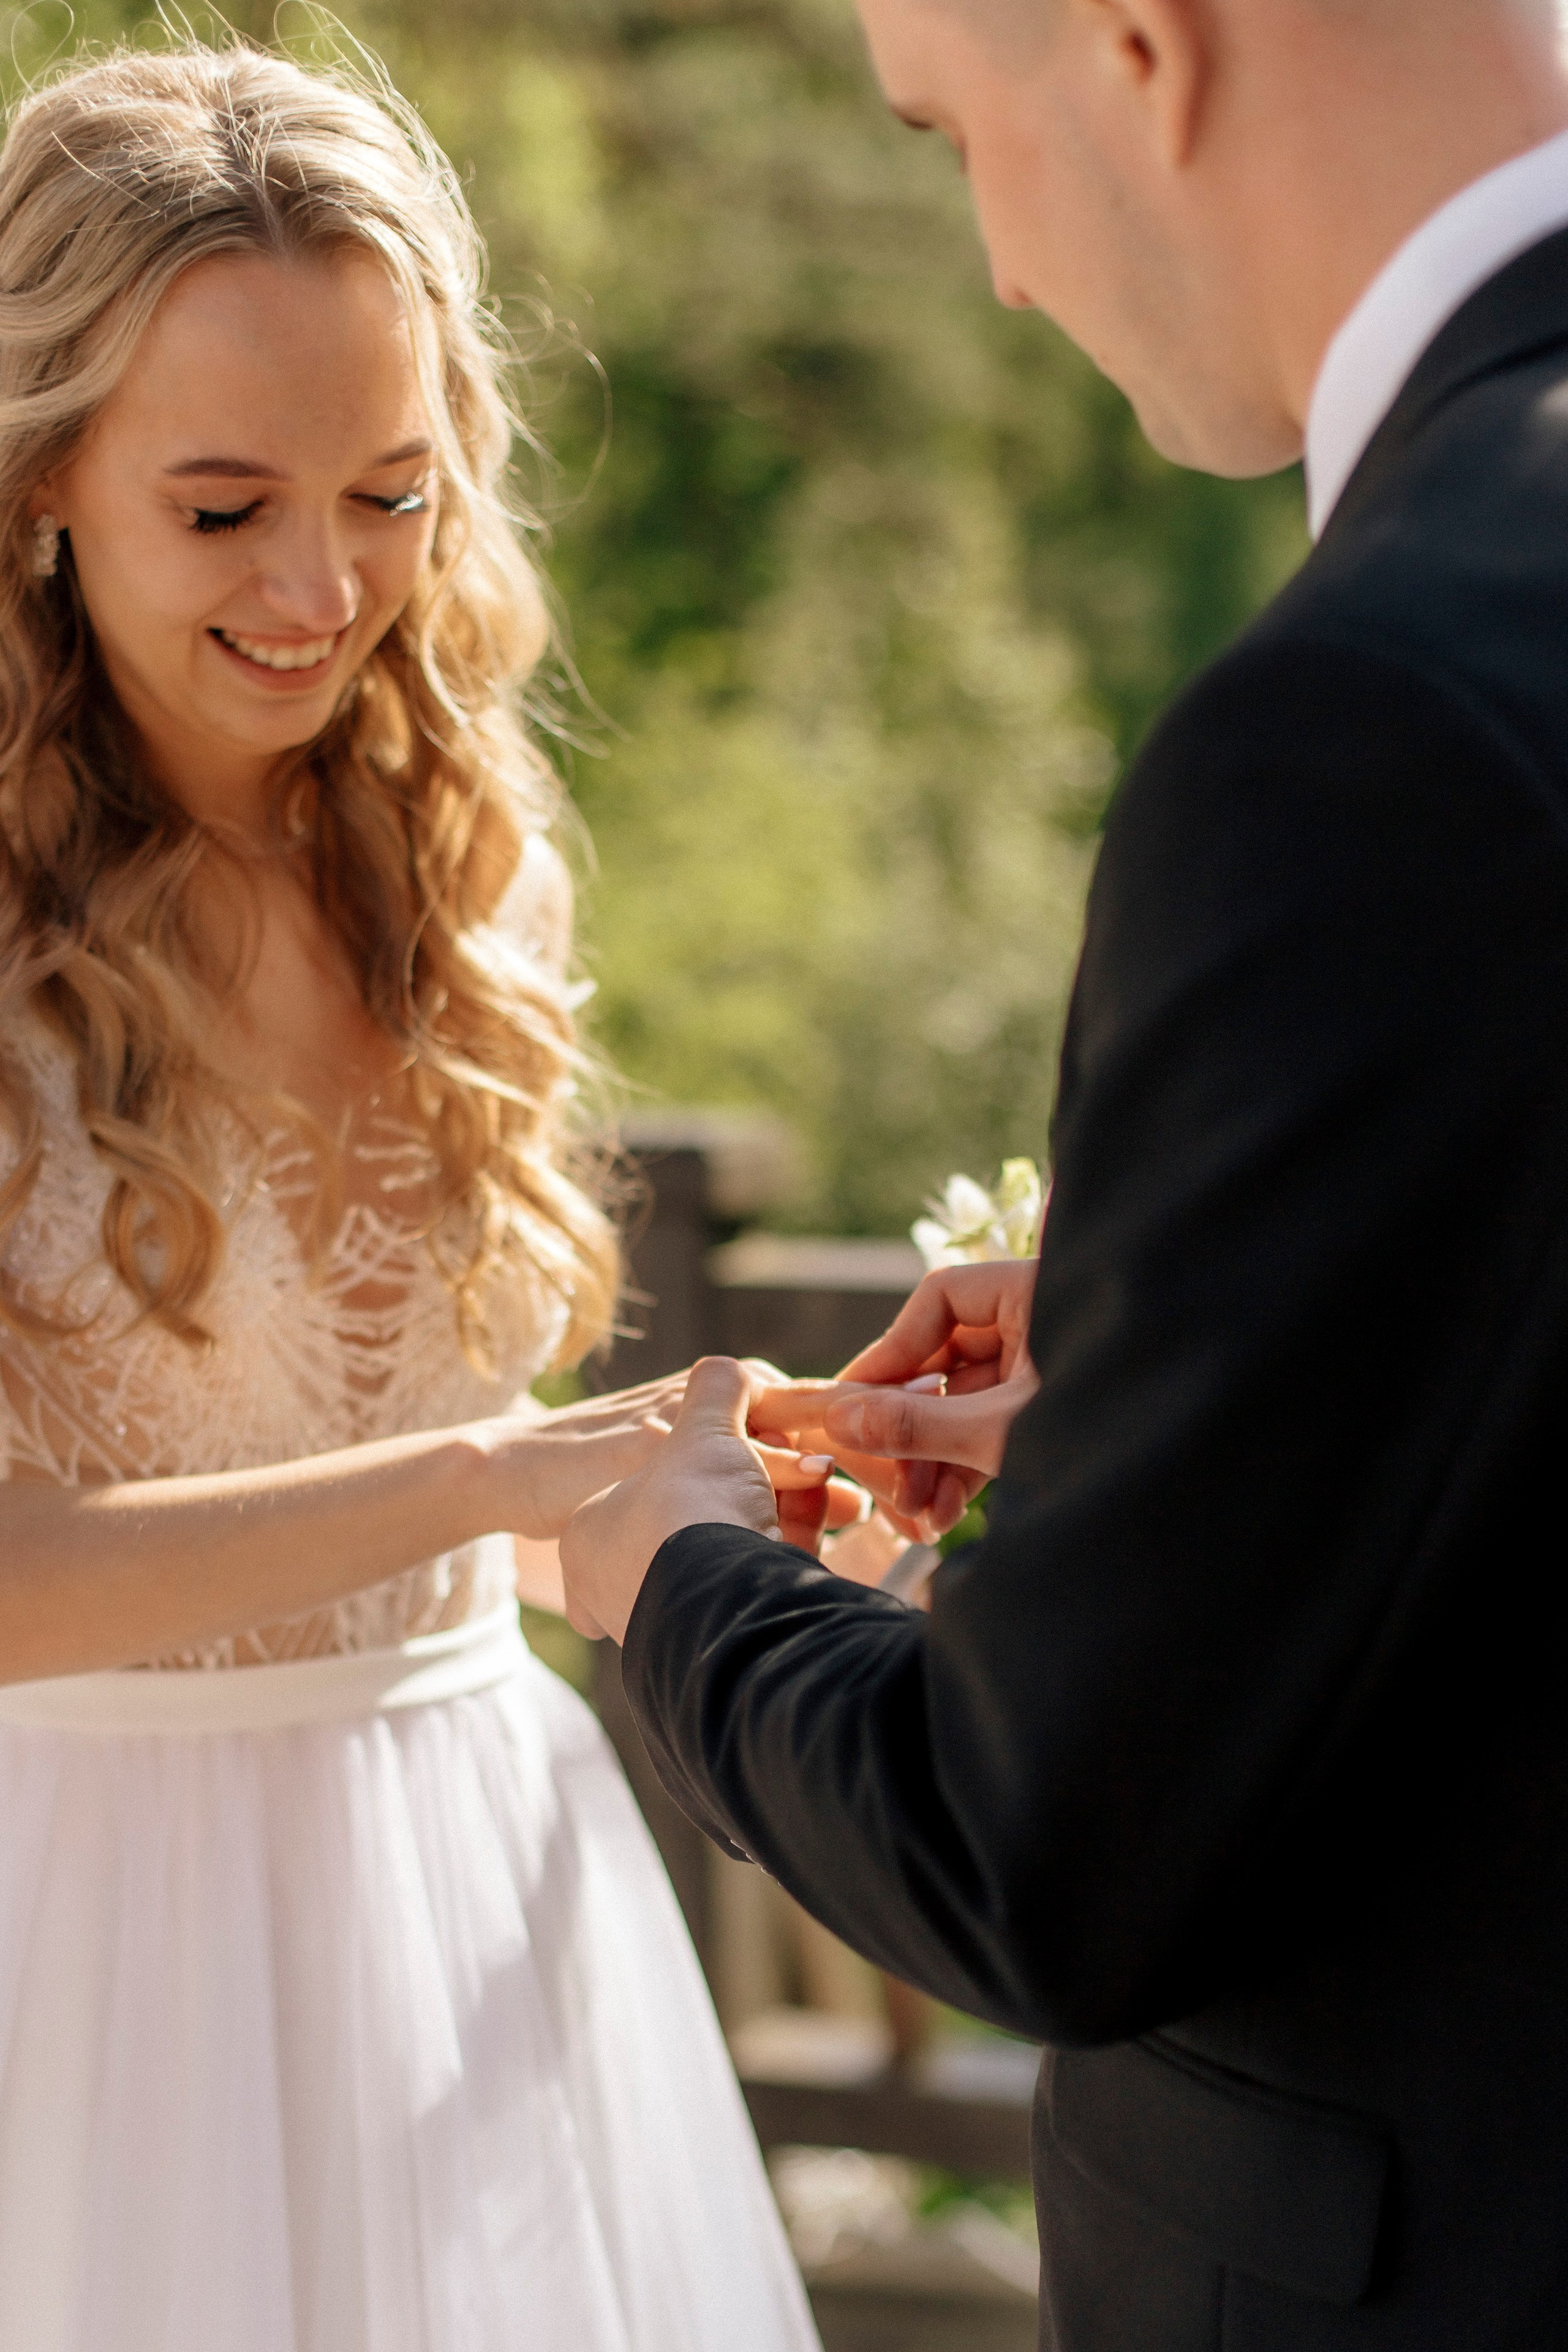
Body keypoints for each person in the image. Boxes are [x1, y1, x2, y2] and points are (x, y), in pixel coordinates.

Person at [560, 0, 1568, 2343]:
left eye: (952, 138)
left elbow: (1038, 1851)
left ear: (1136, 42)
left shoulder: (1367, 713)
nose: (1001, 271)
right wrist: (1217, 1353)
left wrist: (667, 1580)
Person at [0, 40, 827, 2351]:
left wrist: (737, 1477)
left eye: (389, 488)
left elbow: (515, 1505)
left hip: (487, 1892)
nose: (320, 586)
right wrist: (477, 1470)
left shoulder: (470, 881)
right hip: (84, 1965)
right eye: (225, 503)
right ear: (50, 468)